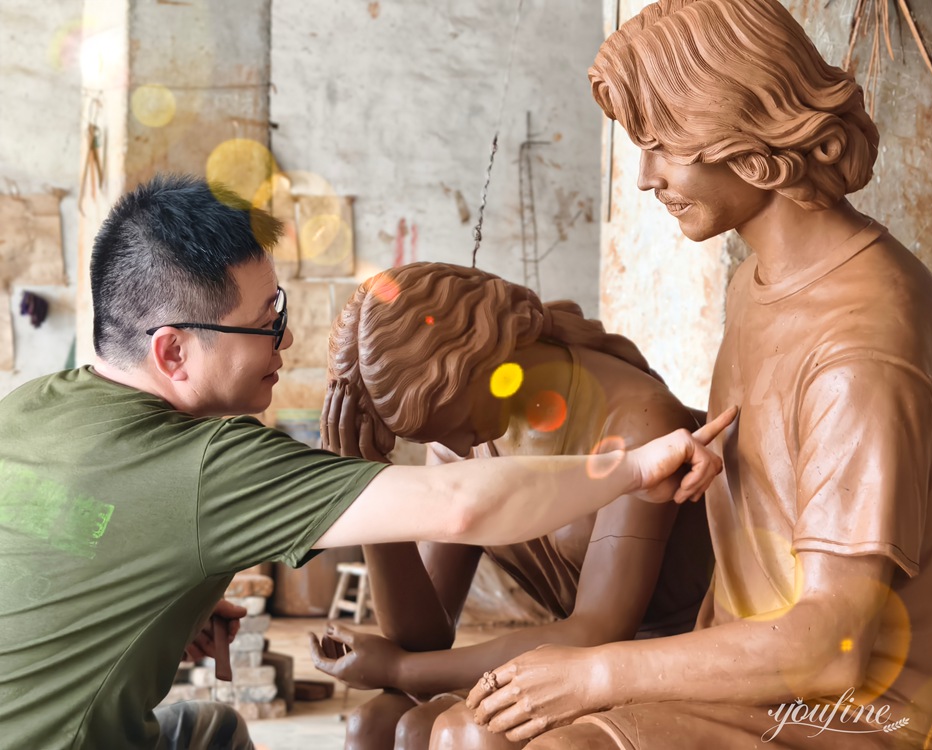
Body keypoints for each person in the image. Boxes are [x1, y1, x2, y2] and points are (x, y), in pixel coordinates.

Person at [430, 1, 932, 749]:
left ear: (748, 145)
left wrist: (598, 672)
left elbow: (832, 645)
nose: (645, 178)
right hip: (760, 678)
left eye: (661, 145)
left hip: (853, 715)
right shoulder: (756, 284)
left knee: (507, 738)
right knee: (458, 727)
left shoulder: (865, 342)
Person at [0, 174, 733, 750]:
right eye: (265, 324)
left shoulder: (26, 409)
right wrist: (636, 469)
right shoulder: (210, 464)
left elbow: (57, 523)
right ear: (172, 350)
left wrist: (163, 601)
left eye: (280, 312)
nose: (285, 342)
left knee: (226, 727)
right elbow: (460, 508)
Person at [308, 262, 715, 750]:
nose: (452, 446)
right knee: (374, 723)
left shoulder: (637, 423)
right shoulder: (464, 432)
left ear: (474, 357)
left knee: (453, 732)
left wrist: (400, 669)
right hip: (565, 654)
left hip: (661, 661)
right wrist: (367, 482)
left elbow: (597, 632)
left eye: (446, 423)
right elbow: (426, 634)